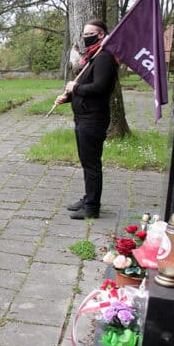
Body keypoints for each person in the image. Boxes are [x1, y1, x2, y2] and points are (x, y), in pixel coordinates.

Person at [55, 19, 118, 219]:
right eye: (83, 34)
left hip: (94, 119)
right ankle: (88, 197)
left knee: (91, 164)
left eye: (88, 34)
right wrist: (68, 98)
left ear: (101, 34)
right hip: (83, 117)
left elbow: (99, 87)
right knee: (86, 162)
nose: (85, 37)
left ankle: (91, 208)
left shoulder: (104, 58)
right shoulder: (93, 57)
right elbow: (85, 88)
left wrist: (75, 88)